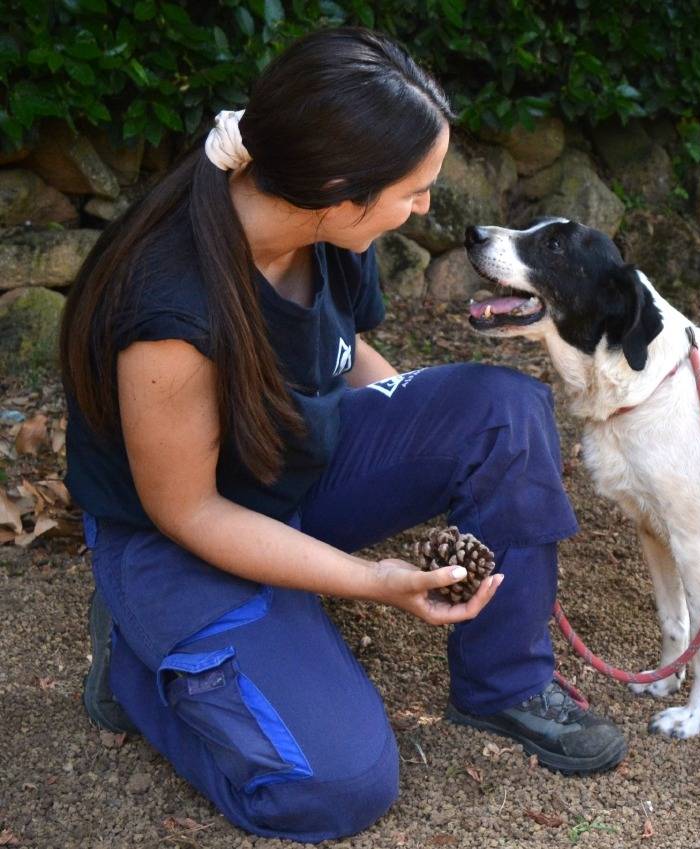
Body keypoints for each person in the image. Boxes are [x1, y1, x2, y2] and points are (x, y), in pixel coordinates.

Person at [59, 27, 626, 843]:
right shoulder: (170, 311)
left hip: (288, 461)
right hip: (179, 533)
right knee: (338, 786)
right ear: (336, 188)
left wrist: (423, 437)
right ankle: (137, 663)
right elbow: (190, 511)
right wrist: (374, 580)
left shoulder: (322, 229)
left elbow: (344, 348)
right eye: (414, 190)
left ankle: (504, 683)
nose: (427, 208)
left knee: (502, 413)